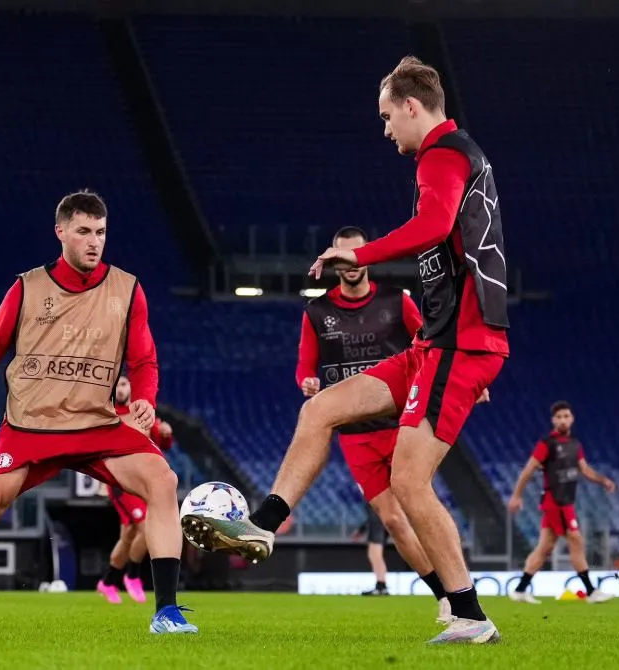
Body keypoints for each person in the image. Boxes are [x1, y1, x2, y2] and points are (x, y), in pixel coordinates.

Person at [184, 56, 509, 645]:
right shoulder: (456, 157)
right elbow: (446, 246)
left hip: (460, 342)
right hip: (436, 342)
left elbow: (434, 226)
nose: (386, 130)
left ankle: (468, 614)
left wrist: (362, 254)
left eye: (388, 116)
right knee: (320, 409)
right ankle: (261, 526)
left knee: (409, 484)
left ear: (413, 107)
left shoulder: (444, 154)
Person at [0, 191, 196, 634]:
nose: (94, 242)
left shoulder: (127, 289)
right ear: (60, 233)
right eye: (83, 232)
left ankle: (167, 612)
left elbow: (145, 360)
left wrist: (146, 400)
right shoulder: (26, 288)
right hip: (31, 426)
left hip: (98, 423)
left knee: (163, 480)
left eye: (100, 232)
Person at [297, 225, 450, 621]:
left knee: (417, 505)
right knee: (394, 521)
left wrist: (455, 378)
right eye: (341, 257)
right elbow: (304, 366)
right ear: (333, 260)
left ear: (368, 256)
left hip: (402, 425)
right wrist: (307, 382)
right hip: (354, 435)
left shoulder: (396, 302)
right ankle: (444, 597)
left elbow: (430, 345)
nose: (349, 264)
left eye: (355, 255)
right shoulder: (317, 312)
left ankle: (457, 586)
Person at [507, 401, 617, 604]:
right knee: (576, 539)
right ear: (553, 420)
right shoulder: (547, 444)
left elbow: (585, 469)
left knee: (544, 548)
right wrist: (516, 495)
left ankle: (520, 589)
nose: (563, 420)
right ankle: (591, 591)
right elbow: (528, 470)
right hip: (555, 502)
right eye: (559, 417)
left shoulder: (575, 444)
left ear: (572, 418)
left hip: (566, 501)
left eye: (566, 416)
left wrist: (603, 481)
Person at [97, 375, 174, 605]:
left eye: (123, 384)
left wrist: (166, 435)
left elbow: (160, 442)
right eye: (116, 385)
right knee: (146, 525)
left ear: (130, 386)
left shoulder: (141, 412)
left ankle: (109, 582)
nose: (120, 389)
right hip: (121, 484)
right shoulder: (108, 414)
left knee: (129, 534)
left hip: (141, 480)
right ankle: (132, 575)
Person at [351, 504, 389, 596]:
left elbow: (376, 510)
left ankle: (381, 586)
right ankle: (381, 585)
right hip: (379, 520)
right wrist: (362, 529)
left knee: (375, 555)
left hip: (378, 521)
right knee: (375, 555)